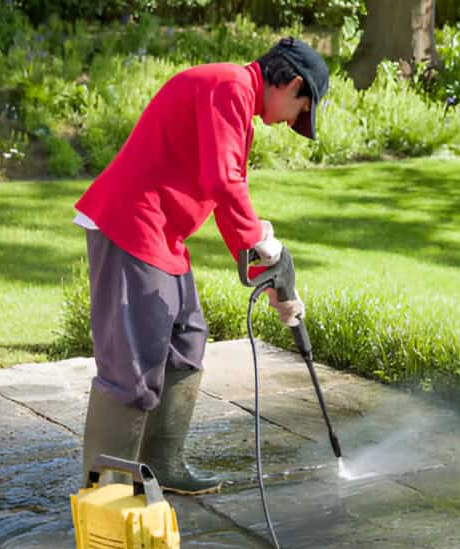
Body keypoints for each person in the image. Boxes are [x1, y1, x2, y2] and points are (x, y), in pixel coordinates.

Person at [73, 37, 330, 494]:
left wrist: (267, 277)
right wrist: (260, 243)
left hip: (161, 234)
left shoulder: (236, 99)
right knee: (131, 361)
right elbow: (224, 182)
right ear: (290, 83)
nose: (293, 120)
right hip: (130, 224)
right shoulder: (229, 87)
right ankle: (106, 493)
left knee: (186, 337)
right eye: (300, 107)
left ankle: (163, 467)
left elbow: (223, 192)